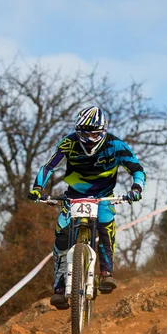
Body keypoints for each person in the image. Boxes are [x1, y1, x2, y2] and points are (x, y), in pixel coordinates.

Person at [28, 106, 146, 309]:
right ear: (77, 132)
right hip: (73, 197)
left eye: (95, 134)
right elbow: (48, 166)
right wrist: (37, 188)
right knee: (61, 235)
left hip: (103, 197)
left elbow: (136, 168)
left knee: (105, 227)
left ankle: (106, 273)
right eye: (85, 134)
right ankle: (59, 287)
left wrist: (136, 188)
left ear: (104, 131)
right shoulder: (69, 142)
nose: (90, 139)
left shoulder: (116, 145)